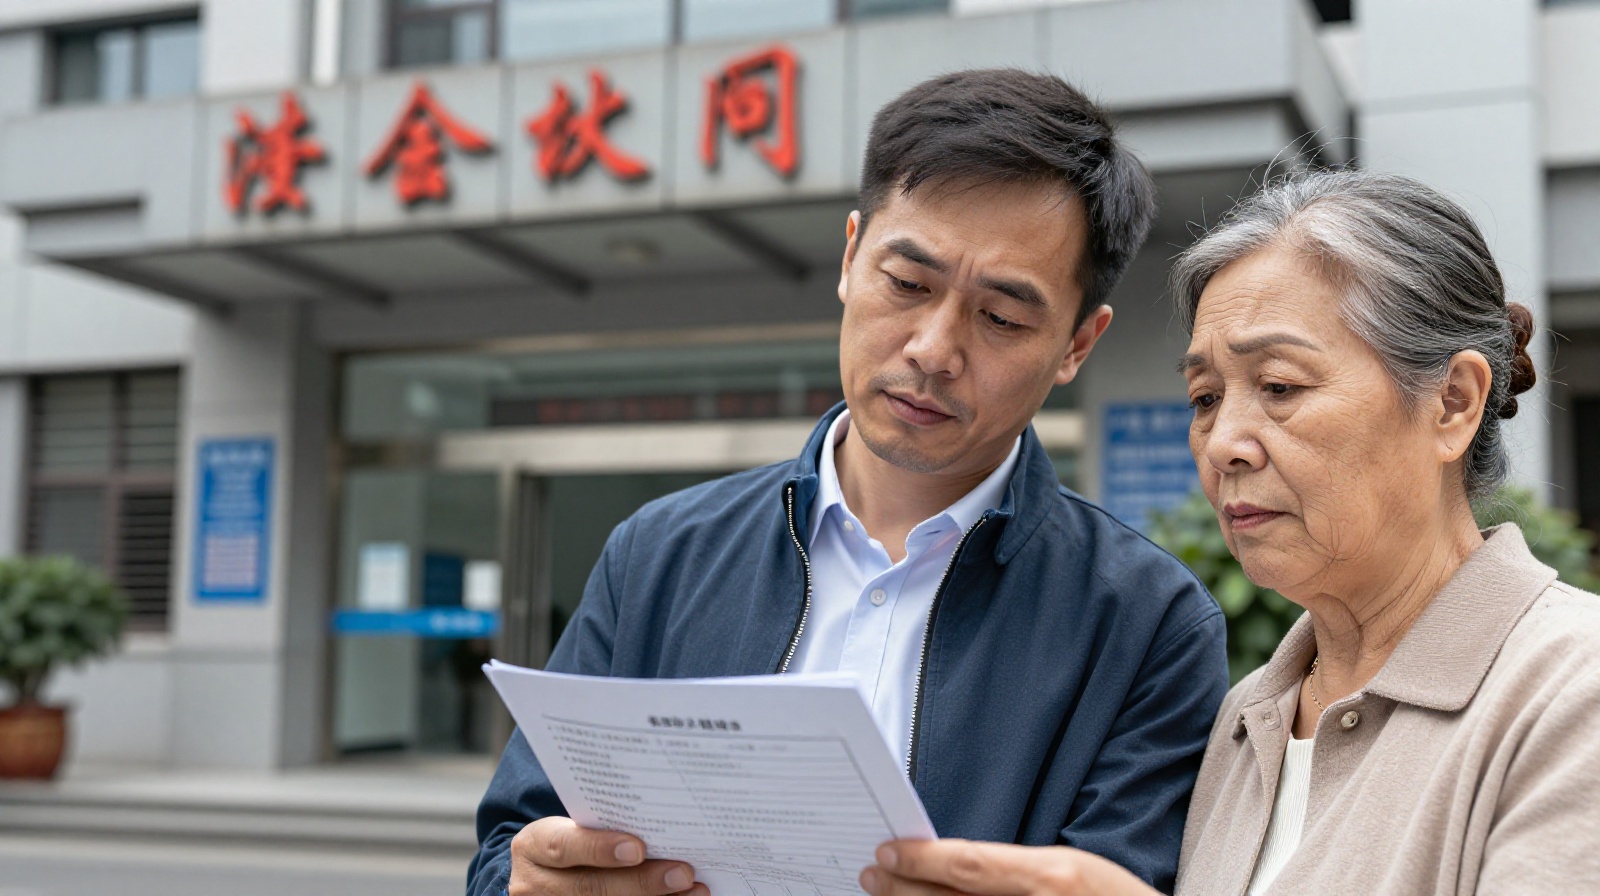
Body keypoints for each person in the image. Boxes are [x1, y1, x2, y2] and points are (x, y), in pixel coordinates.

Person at [466, 69, 1230, 896]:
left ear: (1079, 344)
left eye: (1002, 318)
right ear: (850, 256)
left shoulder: (1150, 625)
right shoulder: (659, 554)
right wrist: (528, 881)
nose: (934, 349)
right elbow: (509, 845)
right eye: (907, 284)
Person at [856, 169, 1600, 896]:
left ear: (1453, 403)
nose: (1222, 444)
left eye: (1279, 387)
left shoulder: (1570, 689)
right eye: (1205, 397)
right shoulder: (1247, 718)